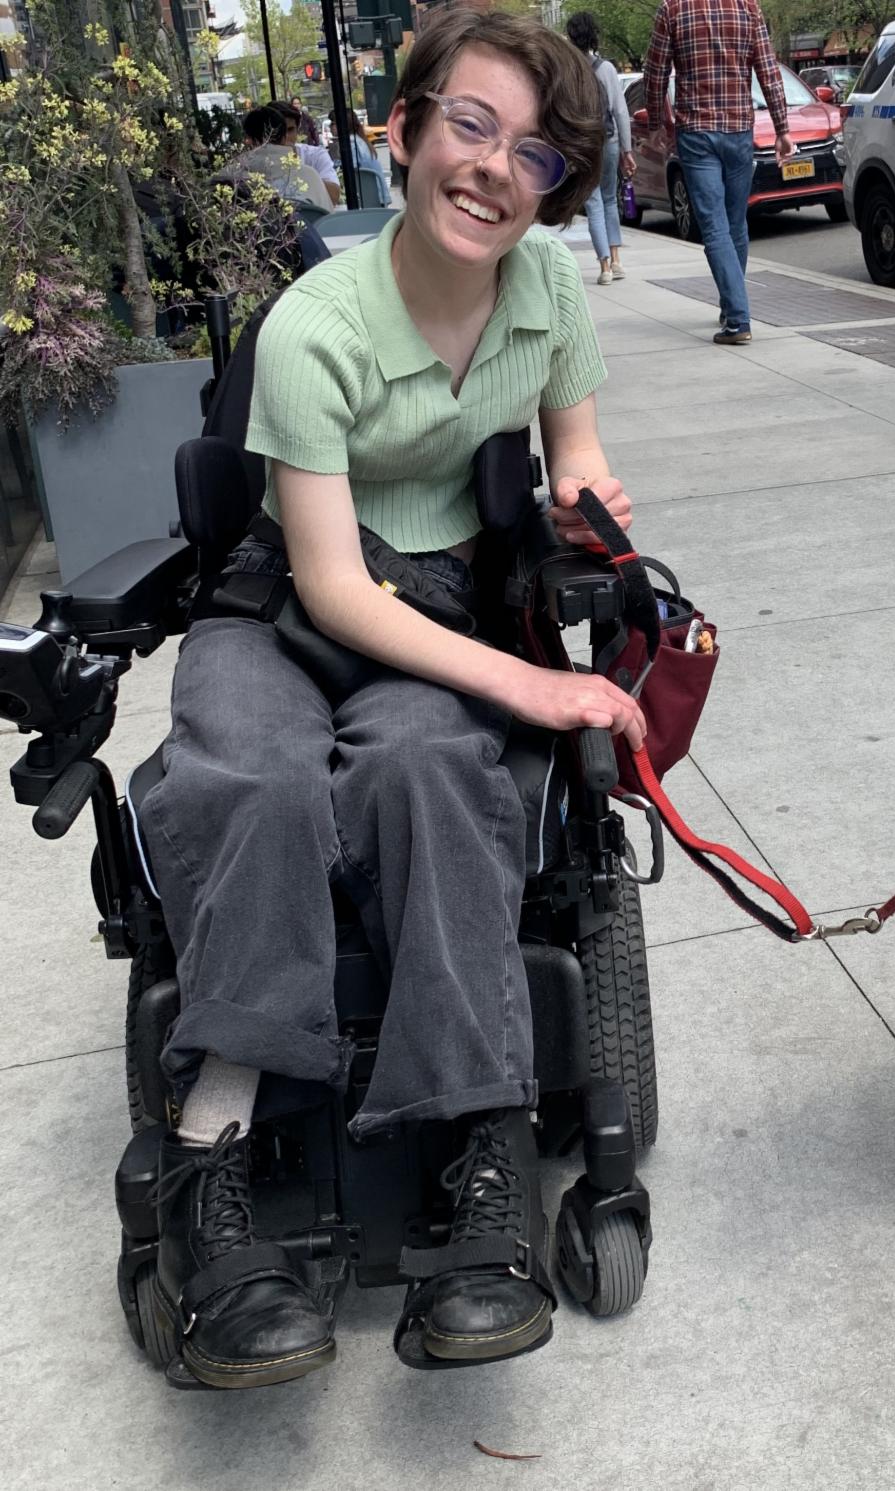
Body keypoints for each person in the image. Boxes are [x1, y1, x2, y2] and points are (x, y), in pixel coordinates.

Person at [139, 7, 645, 1390]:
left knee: (431, 769)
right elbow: (333, 588)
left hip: (447, 598)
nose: (492, 167)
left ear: (557, 182)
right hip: (291, 606)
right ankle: (214, 1155)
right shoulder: (316, 325)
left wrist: (599, 527)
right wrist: (533, 680)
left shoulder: (548, 293)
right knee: (251, 777)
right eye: (468, 127)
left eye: (532, 151)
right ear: (406, 129)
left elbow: (579, 450)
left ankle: (480, 1143)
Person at [644, 0, 793, 345]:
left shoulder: (673, 9)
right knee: (735, 221)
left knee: (714, 226)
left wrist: (654, 122)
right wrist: (782, 129)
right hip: (739, 129)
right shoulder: (747, 7)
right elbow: (768, 71)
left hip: (696, 131)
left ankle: (738, 319)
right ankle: (731, 306)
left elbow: (656, 73)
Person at [565, 11, 635, 285]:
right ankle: (617, 260)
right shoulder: (606, 69)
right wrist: (627, 151)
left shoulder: (570, 70)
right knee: (609, 200)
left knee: (593, 202)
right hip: (610, 142)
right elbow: (620, 111)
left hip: (585, 143)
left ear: (572, 37)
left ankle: (604, 265)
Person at [219, 104, 334, 213]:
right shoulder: (309, 176)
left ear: (247, 139)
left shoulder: (227, 178)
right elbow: (327, 221)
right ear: (284, 137)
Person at [270, 100, 343, 207]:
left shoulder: (315, 155)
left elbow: (333, 197)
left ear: (297, 129)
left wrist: (302, 173)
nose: (285, 137)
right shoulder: (258, 162)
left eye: (290, 130)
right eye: (278, 132)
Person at [331, 106, 392, 208]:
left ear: (343, 124)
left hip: (368, 199)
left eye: (333, 123)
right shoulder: (359, 140)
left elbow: (351, 171)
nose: (330, 127)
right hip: (378, 196)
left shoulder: (350, 143)